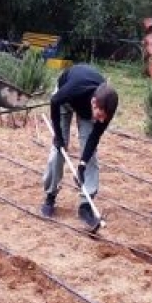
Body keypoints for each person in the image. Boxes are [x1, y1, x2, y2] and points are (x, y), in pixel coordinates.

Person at [40, 64, 119, 228]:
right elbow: (54, 102)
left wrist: (82, 165)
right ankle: (50, 196)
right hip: (64, 101)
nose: (101, 121)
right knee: (58, 151)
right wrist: (59, 136)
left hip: (85, 109)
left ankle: (85, 206)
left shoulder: (107, 108)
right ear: (94, 103)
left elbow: (94, 138)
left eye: (105, 118)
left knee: (91, 156)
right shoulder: (73, 89)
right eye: (99, 115)